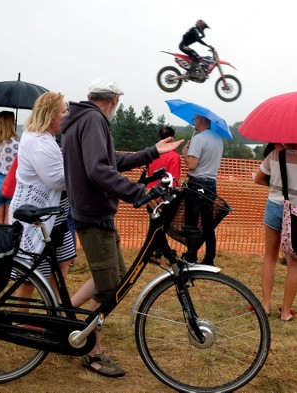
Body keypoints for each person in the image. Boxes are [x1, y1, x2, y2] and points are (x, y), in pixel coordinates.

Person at [61, 78, 183, 377]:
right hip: (93, 213)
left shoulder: (82, 119)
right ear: (113, 100)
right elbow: (98, 169)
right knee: (108, 287)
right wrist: (139, 194)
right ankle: (92, 352)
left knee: (111, 279)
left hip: (93, 211)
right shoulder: (93, 120)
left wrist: (151, 152)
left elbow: (110, 160)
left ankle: (64, 317)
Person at [8, 92, 76, 286]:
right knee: (29, 277)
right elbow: (58, 180)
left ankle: (55, 309)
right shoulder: (40, 143)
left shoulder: (42, 138)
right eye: (63, 112)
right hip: (41, 217)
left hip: (55, 218)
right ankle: (21, 316)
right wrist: (82, 173)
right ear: (50, 114)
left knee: (63, 262)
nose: (66, 115)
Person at [254, 144, 297, 322]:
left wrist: (276, 187)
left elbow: (258, 179)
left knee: (269, 257)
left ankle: (265, 305)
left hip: (274, 207)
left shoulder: (275, 155)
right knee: (294, 262)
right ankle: (285, 312)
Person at [180, 114, 223, 266]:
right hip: (211, 184)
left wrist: (185, 152)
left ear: (200, 120)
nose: (193, 123)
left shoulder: (199, 139)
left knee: (191, 223)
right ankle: (209, 258)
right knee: (208, 224)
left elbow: (191, 165)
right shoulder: (218, 139)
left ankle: (190, 257)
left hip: (196, 184)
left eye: (194, 120)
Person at [146, 126, 181, 264]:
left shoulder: (152, 154)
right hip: (165, 195)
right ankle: (158, 253)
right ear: (171, 139)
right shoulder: (174, 156)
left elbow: (149, 174)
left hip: (151, 194)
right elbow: (174, 180)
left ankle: (158, 252)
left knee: (155, 225)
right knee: (161, 227)